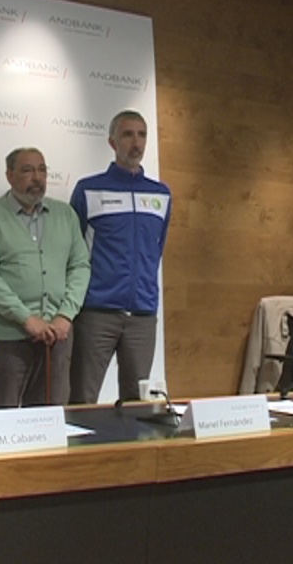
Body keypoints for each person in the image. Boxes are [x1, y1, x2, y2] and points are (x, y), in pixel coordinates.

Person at [0, 148, 90, 408]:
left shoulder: (66, 215)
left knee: (48, 421)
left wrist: (65, 315)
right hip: (7, 338)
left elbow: (80, 266)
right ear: (9, 175)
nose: (37, 177)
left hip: (56, 338)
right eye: (27, 170)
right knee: (4, 420)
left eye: (42, 170)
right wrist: (26, 318)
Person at [69, 110, 171, 404]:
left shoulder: (161, 194)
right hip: (96, 314)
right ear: (112, 142)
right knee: (82, 400)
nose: (136, 142)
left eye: (142, 135)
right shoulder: (89, 189)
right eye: (127, 134)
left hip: (142, 316)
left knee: (137, 403)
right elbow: (74, 251)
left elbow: (156, 248)